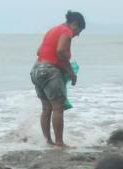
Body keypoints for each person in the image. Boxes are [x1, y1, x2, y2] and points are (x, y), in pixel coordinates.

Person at [31, 11, 85, 148]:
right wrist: (71, 73)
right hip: (50, 70)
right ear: (75, 24)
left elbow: (39, 52)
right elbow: (61, 51)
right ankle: (59, 143)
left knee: (46, 108)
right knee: (57, 108)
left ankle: (48, 142)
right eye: (79, 31)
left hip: (37, 69)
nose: (78, 35)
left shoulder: (52, 30)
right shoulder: (66, 31)